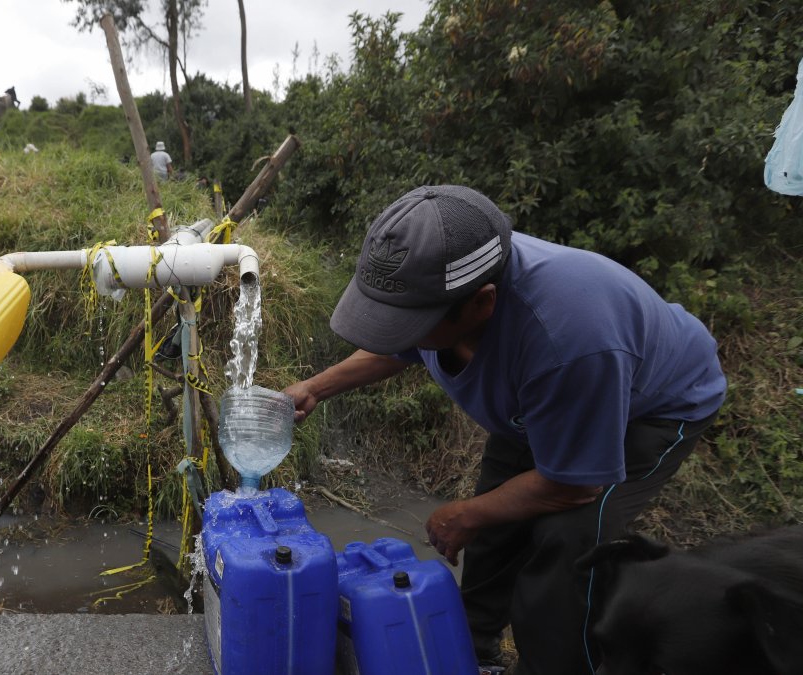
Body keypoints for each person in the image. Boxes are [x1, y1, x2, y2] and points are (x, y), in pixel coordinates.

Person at [284, 185, 726, 674]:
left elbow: (573, 485)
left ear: (482, 303)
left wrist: (466, 513)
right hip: (539, 403)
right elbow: (395, 345)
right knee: (492, 529)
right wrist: (314, 388)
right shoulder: (440, 282)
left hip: (653, 407)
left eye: (410, 324)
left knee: (565, 550)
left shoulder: (569, 340)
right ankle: (472, 653)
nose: (400, 335)